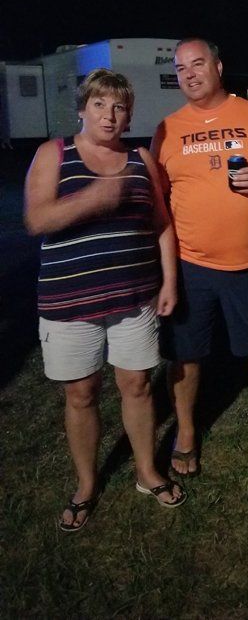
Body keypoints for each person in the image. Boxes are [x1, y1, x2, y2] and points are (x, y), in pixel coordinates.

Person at [24, 68, 186, 533]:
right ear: (82, 108)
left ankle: (146, 471)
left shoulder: (140, 158)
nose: (110, 115)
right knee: (81, 394)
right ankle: (86, 484)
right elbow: (36, 219)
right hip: (70, 302)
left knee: (136, 385)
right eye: (99, 105)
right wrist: (95, 196)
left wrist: (169, 281)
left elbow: (162, 223)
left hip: (135, 297)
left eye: (119, 107)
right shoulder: (54, 153)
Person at [151, 38, 248, 474]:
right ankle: (185, 432)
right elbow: (158, 199)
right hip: (189, 264)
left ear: (219, 66)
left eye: (198, 64)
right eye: (181, 68)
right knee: (186, 353)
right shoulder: (167, 128)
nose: (190, 74)